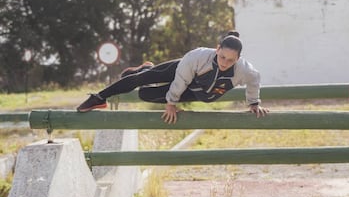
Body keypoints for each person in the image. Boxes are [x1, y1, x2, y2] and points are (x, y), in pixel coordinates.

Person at [77, 31, 269, 123]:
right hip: (181, 71)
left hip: (198, 92)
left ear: (239, 58)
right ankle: (99, 98)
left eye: (231, 60)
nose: (225, 63)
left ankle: (146, 69)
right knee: (139, 81)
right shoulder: (197, 57)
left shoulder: (245, 70)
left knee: (145, 95)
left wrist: (253, 103)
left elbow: (254, 79)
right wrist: (171, 103)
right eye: (222, 57)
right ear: (216, 49)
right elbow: (181, 80)